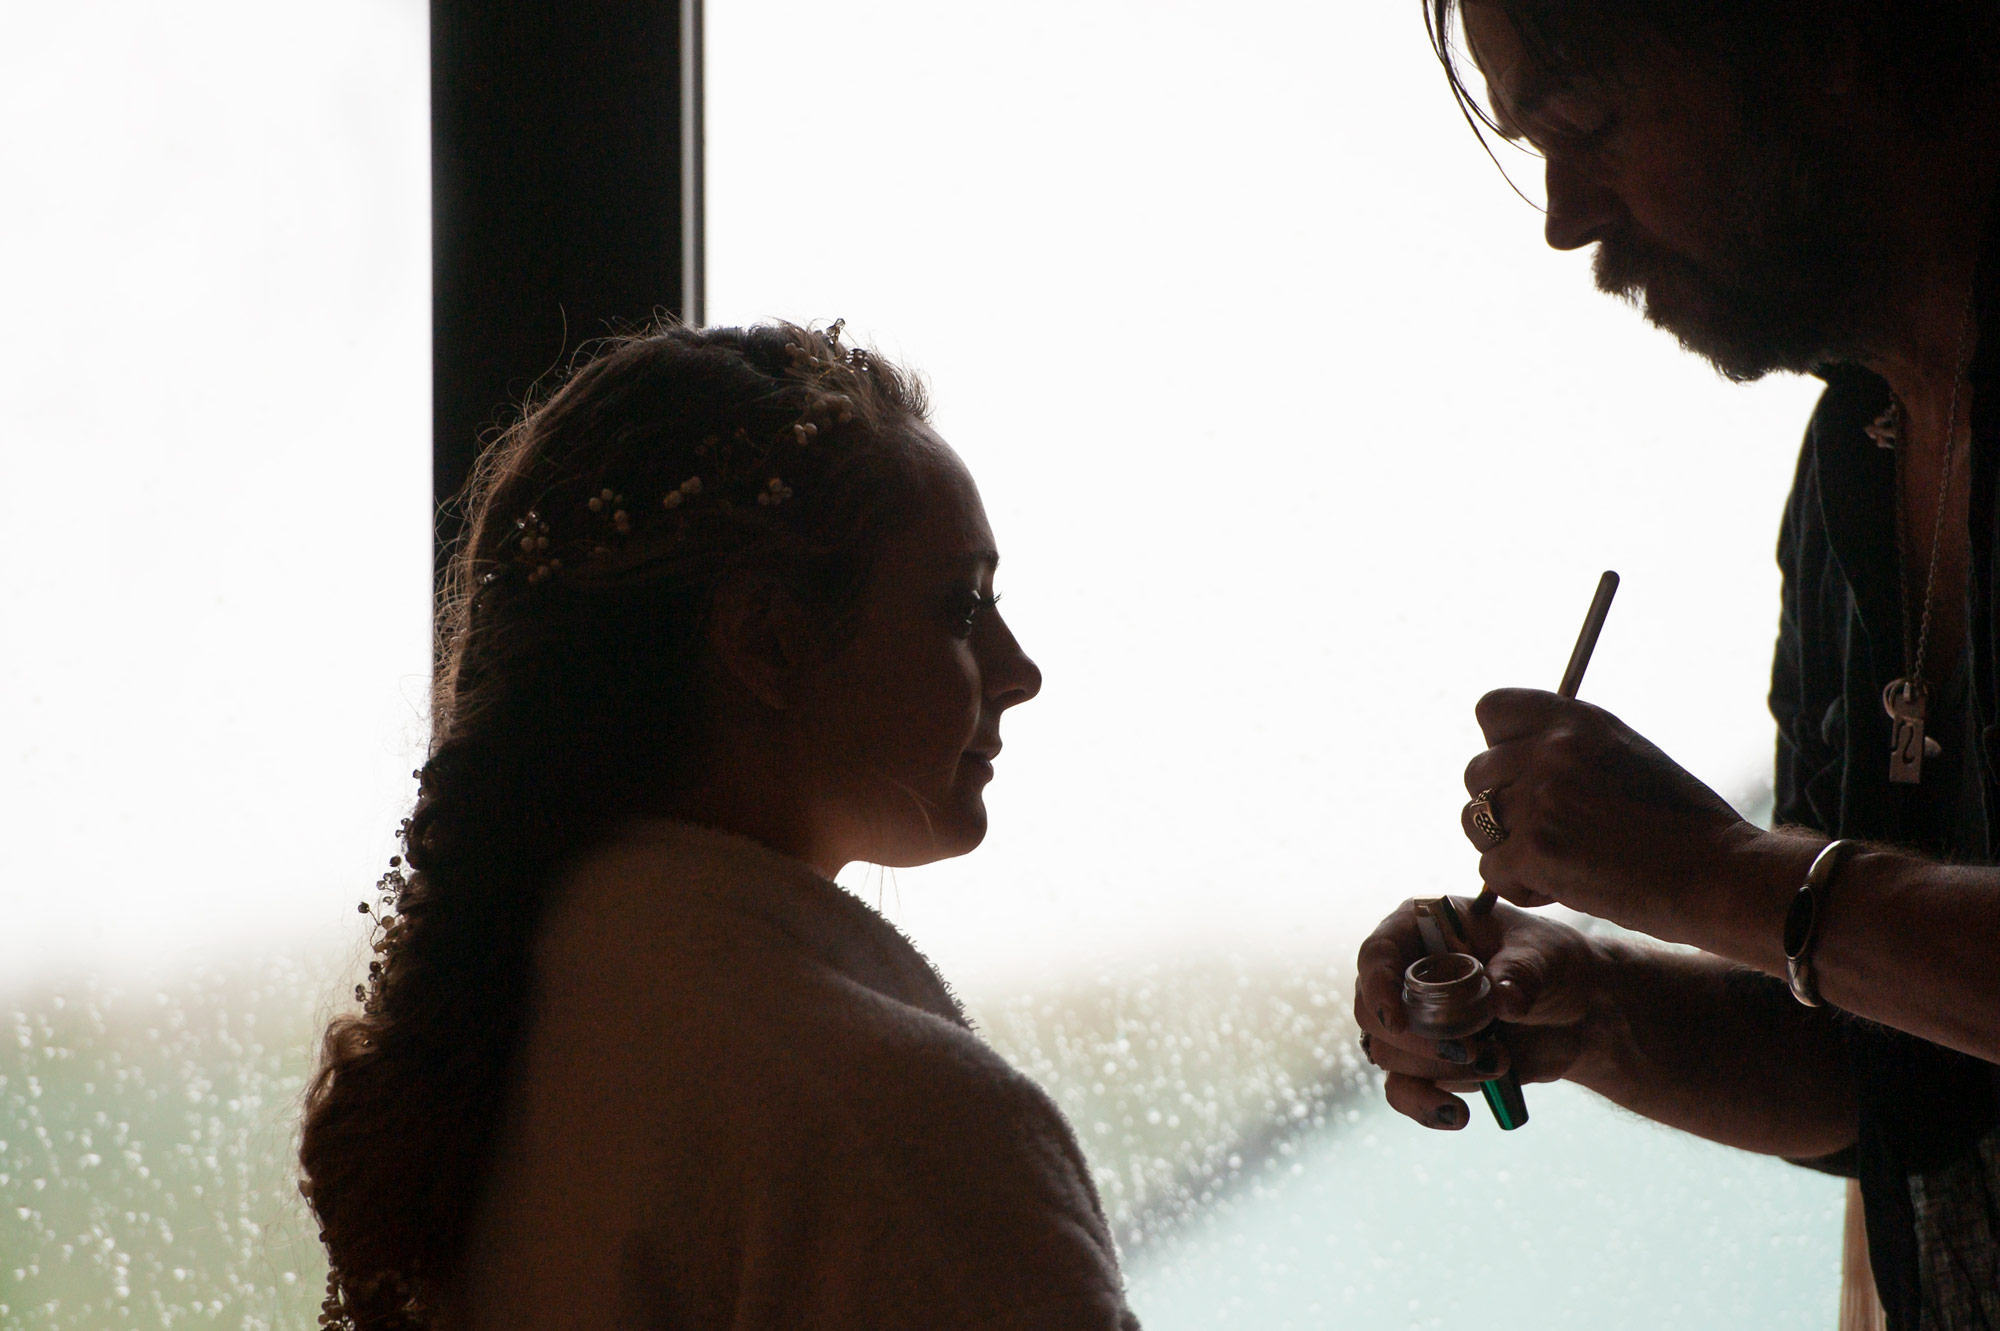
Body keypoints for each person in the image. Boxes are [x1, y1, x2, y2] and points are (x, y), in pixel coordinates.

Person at [1354, 2, 2000, 1326]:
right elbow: (1879, 1072)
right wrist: (1591, 1002)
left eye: (1587, 124)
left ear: (1811, 36)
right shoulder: (1853, 468)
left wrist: (1705, 872)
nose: (1567, 217)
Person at [298, 322, 1142, 1331]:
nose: (1019, 672)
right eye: (959, 605)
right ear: (766, 641)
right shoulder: (899, 1125)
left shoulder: (498, 1053)